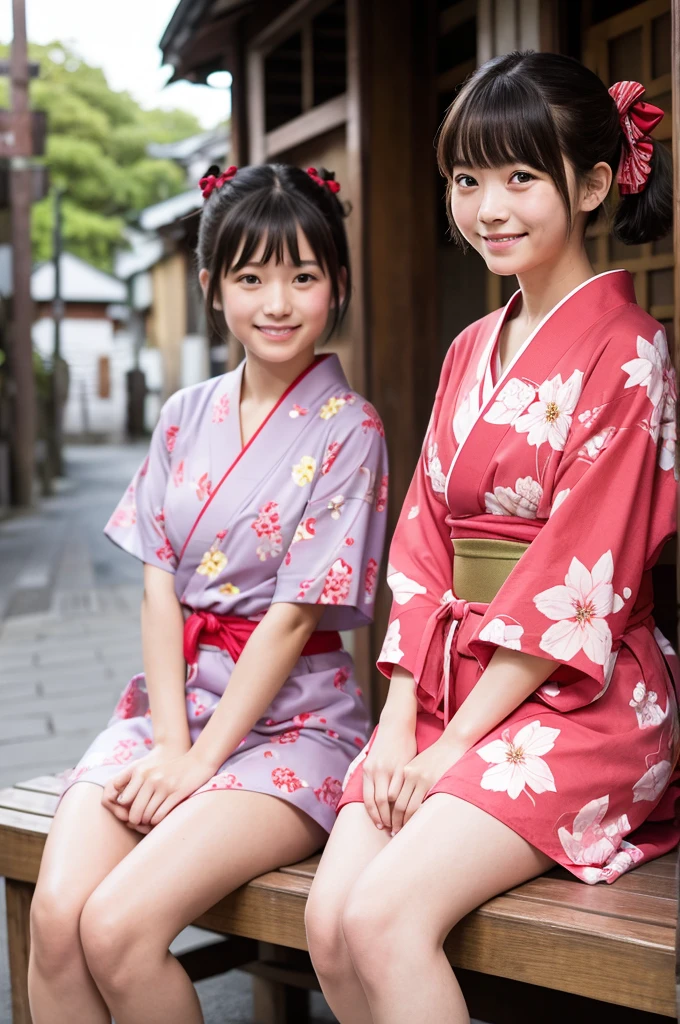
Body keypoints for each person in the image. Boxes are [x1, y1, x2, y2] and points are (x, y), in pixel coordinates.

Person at [306, 52, 678, 1024]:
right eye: (467, 179)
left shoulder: (631, 353)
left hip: (575, 701)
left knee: (384, 919)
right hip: (442, 689)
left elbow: (576, 574)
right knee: (327, 920)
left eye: (520, 176)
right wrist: (395, 729)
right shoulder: (470, 348)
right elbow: (423, 544)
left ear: (592, 183)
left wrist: (448, 750)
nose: (487, 207)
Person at [28, 163, 388, 1024]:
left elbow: (294, 614)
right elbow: (160, 590)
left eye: (303, 275)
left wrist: (196, 763)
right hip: (176, 708)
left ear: (337, 284)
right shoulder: (185, 412)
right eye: (251, 276)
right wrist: (169, 740)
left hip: (295, 723)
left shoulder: (351, 429)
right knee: (53, 922)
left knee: (116, 928)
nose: (277, 301)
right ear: (210, 286)